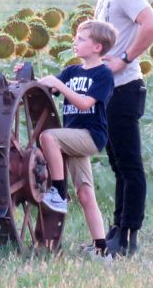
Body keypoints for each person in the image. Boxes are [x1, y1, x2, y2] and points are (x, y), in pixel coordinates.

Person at [76, 0, 153, 256]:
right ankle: (115, 232)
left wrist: (124, 58)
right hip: (110, 90)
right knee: (116, 163)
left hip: (125, 88)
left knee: (129, 165)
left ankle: (128, 236)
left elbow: (151, 25)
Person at [20, 20, 117, 259]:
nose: (75, 42)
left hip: (91, 136)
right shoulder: (72, 72)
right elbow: (47, 87)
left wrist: (60, 86)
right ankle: (102, 249)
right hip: (73, 139)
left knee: (48, 137)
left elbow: (85, 103)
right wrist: (27, 77)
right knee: (85, 193)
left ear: (97, 47)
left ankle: (59, 192)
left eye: (81, 39)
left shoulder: (103, 74)